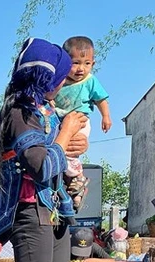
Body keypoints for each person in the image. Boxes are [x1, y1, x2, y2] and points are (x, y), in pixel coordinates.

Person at [0, 37, 88, 262]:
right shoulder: (20, 113)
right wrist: (66, 133)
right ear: (46, 78)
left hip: (54, 207)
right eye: (61, 76)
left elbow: (59, 150)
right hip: (30, 207)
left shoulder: (45, 110)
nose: (66, 80)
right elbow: (41, 166)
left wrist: (75, 143)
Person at [54, 36, 111, 211]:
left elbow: (101, 99)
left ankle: (76, 177)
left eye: (87, 63)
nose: (81, 69)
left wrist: (106, 117)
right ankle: (70, 182)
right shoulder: (59, 82)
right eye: (76, 63)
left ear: (93, 64)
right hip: (61, 121)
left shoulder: (90, 81)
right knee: (59, 151)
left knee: (71, 150)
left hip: (80, 121)